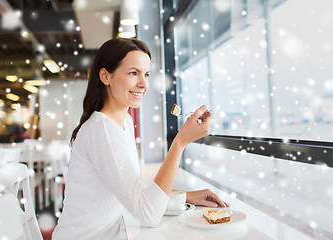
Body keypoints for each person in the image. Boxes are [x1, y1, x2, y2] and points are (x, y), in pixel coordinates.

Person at [52, 38, 229, 239]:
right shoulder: (101, 130)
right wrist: (180, 142)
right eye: (133, 73)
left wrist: (186, 196)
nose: (143, 84)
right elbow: (148, 214)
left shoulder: (124, 122)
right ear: (105, 76)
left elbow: (131, 191)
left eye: (146, 74)